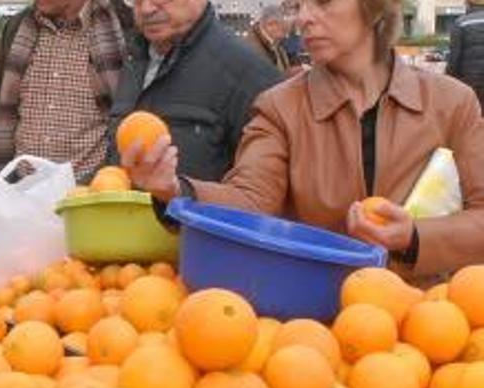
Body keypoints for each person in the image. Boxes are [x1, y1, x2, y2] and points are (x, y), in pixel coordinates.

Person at [123, 0, 484, 279]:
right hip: (315, 326)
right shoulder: (279, 107)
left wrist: (414, 236)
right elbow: (251, 198)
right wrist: (175, 190)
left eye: (323, 2)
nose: (304, 18)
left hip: (429, 326)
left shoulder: (453, 103)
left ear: (374, 10)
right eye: (299, 5)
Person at [108, 0, 281, 182]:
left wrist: (180, 196)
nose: (145, 9)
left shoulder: (247, 74)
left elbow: (260, 192)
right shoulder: (134, 59)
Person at [0, 0, 134, 181]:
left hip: (89, 195)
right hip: (20, 190)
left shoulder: (121, 25)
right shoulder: (18, 28)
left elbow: (131, 119)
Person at [447, 0, 484, 110]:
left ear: (467, 4)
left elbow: (454, 57)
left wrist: (449, 78)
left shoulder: (460, 23)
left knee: (472, 117)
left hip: (470, 80)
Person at [245, 5, 291, 73]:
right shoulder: (254, 49)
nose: (287, 28)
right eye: (284, 23)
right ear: (272, 24)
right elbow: (266, 78)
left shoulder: (275, 43)